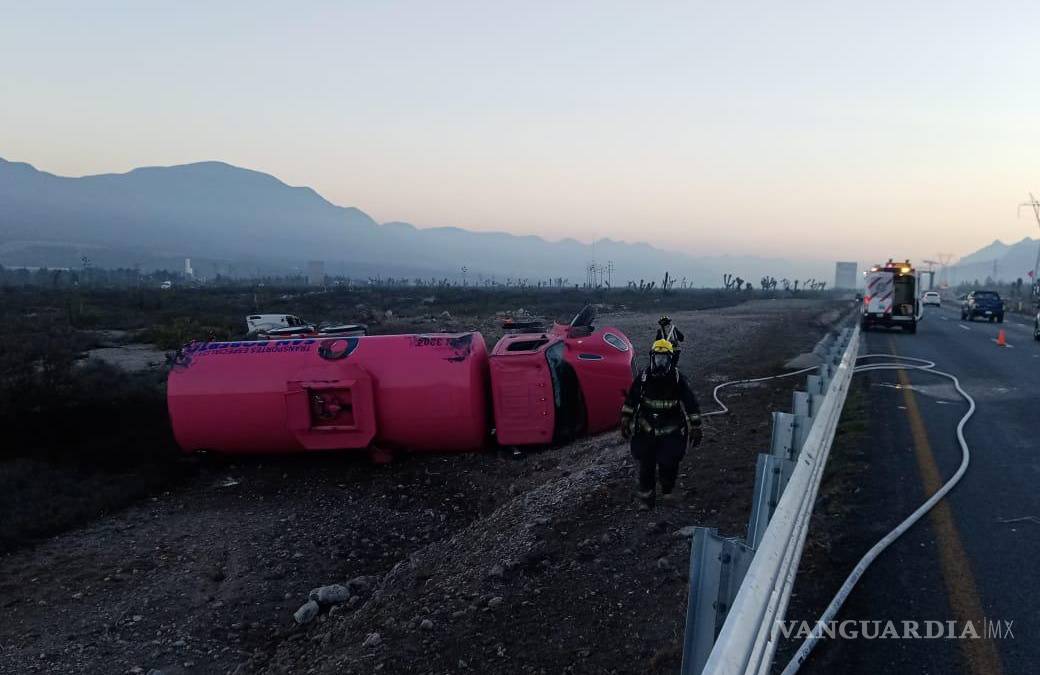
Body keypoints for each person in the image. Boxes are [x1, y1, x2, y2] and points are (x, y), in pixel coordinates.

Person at [620, 339, 702, 510]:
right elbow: (631, 399)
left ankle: (667, 492)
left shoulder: (678, 379)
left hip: (671, 430)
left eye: (664, 359)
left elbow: (690, 403)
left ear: (671, 359)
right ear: (652, 357)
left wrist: (696, 426)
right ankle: (646, 498)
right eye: (658, 358)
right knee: (646, 465)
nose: (660, 362)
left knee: (669, 463)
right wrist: (626, 419)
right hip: (646, 429)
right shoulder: (643, 378)